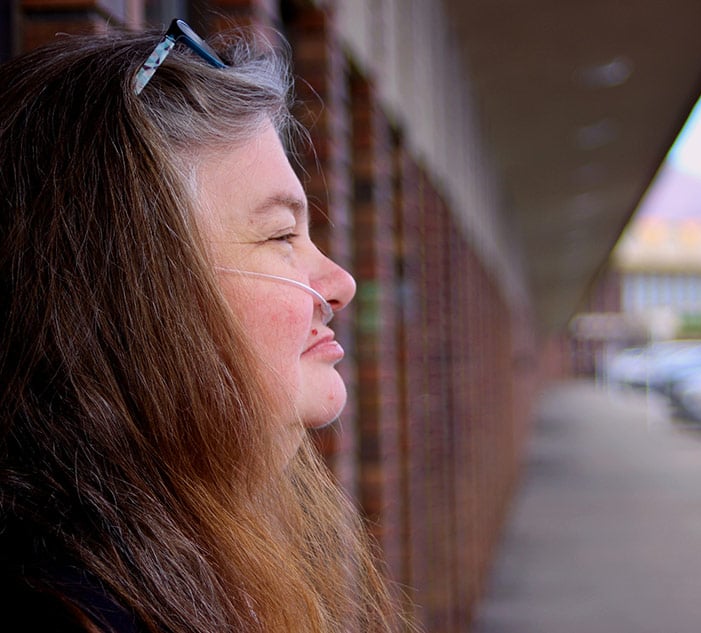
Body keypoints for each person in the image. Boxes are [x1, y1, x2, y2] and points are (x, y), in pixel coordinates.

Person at [0, 19, 401, 632]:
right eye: (280, 236)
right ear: (128, 293)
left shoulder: (173, 557)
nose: (340, 282)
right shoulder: (78, 607)